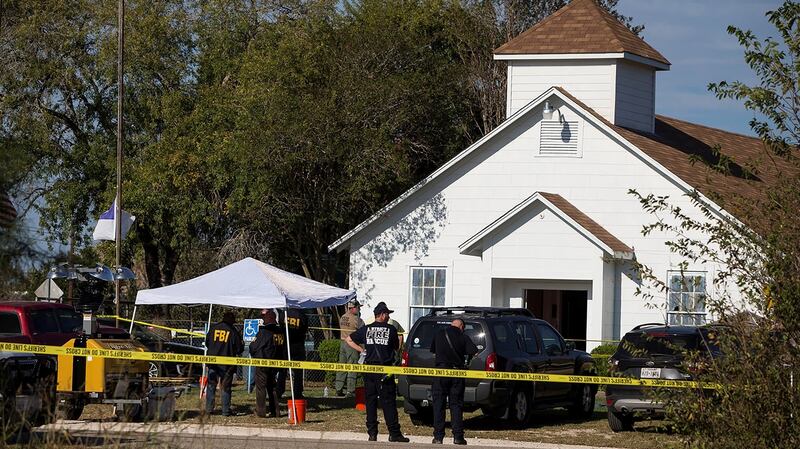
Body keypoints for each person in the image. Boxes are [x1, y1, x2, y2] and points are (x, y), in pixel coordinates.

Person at [346, 302, 409, 443]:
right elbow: (396, 347)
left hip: (369, 370)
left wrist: (362, 350)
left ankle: (372, 433)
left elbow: (349, 339)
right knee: (389, 403)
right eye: (387, 314)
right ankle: (394, 433)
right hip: (385, 371)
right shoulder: (391, 330)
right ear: (381, 315)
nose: (388, 316)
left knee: (371, 402)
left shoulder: (366, 329)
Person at [429, 318, 479, 445]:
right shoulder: (463, 336)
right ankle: (458, 437)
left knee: (438, 404)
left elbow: (434, 351)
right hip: (457, 373)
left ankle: (438, 437)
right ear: (461, 326)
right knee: (456, 405)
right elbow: (474, 351)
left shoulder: (439, 334)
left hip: (440, 372)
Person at [204, 311, 244, 416]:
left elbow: (207, 342)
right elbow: (239, 349)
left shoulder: (213, 328)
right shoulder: (233, 331)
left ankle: (209, 409)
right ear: (231, 320)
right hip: (227, 363)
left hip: (212, 361)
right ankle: (225, 411)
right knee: (226, 387)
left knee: (211, 385)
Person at [250, 309, 286, 418]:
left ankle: (261, 411)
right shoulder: (280, 331)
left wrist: (254, 352)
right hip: (275, 362)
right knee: (272, 387)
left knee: (261, 387)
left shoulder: (264, 332)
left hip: (263, 362)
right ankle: (275, 411)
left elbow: (254, 346)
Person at [276, 307, 308, 399]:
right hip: (298, 344)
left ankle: (279, 390)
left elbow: (281, 327)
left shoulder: (284, 314)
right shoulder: (302, 315)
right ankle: (297, 392)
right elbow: (304, 329)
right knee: (298, 371)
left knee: (282, 370)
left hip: (286, 344)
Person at [335, 299, 364, 397]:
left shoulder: (343, 317)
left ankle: (338, 388)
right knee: (352, 367)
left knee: (341, 366)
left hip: (342, 342)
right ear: (353, 308)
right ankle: (350, 391)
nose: (359, 310)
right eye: (358, 308)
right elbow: (362, 332)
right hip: (352, 344)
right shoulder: (357, 320)